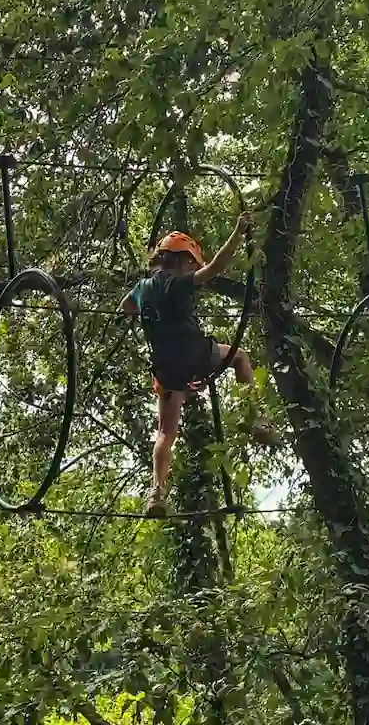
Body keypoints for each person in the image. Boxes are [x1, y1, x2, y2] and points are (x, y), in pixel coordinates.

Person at [120, 215, 278, 517]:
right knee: (240, 355)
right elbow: (216, 267)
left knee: (165, 432)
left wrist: (148, 309)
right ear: (181, 261)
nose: (194, 267)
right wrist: (237, 234)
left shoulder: (143, 288)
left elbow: (126, 306)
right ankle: (257, 417)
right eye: (191, 262)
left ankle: (157, 492)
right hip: (195, 355)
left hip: (167, 369)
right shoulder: (178, 284)